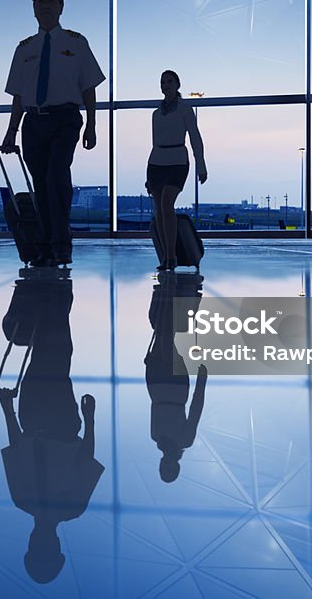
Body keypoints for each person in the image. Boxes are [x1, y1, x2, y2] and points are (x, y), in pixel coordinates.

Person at [0, 269, 104, 584]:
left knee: (53, 355)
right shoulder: (34, 502)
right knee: (53, 356)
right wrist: (90, 419)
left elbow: (18, 449)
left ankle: (55, 291)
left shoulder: (51, 504)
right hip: (51, 421)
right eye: (46, 550)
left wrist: (8, 410)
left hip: (46, 420)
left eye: (38, 549)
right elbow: (85, 457)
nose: (42, 543)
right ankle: (52, 293)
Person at [0, 0, 105, 267]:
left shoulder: (77, 43)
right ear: (34, 9)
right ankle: (45, 245)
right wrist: (11, 131)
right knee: (41, 186)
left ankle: (61, 244)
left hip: (65, 119)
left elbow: (89, 88)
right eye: (41, 2)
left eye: (51, 1)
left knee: (57, 177)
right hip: (34, 123)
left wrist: (92, 125)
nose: (46, 6)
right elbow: (18, 96)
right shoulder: (24, 49)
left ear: (61, 8)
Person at [146, 272, 207, 482]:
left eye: (164, 467)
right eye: (169, 467)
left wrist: (201, 382)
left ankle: (173, 292)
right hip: (169, 388)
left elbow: (195, 409)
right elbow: (195, 409)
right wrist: (201, 383)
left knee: (164, 335)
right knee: (164, 335)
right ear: (176, 465)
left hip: (161, 387)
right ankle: (170, 291)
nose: (166, 463)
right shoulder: (181, 439)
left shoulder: (157, 438)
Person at [147, 70, 207, 271]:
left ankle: (171, 255)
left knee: (166, 204)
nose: (165, 85)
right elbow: (155, 142)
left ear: (177, 84)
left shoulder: (185, 110)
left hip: (177, 161)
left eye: (169, 81)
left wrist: (201, 165)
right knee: (159, 210)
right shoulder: (156, 114)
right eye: (162, 82)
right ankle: (165, 255)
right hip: (157, 162)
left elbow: (195, 138)